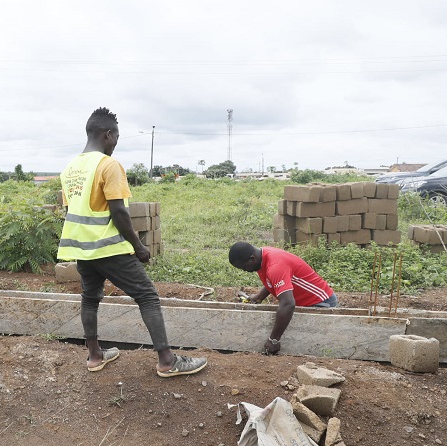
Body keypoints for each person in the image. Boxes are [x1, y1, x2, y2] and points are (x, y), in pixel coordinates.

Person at [57, 107, 208, 377]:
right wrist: (139, 247)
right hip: (109, 247)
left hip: (82, 249)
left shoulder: (70, 169)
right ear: (108, 134)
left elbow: (73, 211)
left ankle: (95, 356)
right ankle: (167, 361)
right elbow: (118, 211)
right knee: (147, 296)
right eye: (115, 138)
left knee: (90, 298)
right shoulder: (108, 165)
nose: (115, 144)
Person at [228, 242, 338, 355]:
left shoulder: (276, 266)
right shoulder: (263, 255)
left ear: (252, 259)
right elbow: (272, 279)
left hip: (321, 302)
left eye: (244, 267)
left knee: (308, 346)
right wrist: (258, 297)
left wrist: (274, 340)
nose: (245, 271)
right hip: (305, 300)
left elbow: (288, 304)